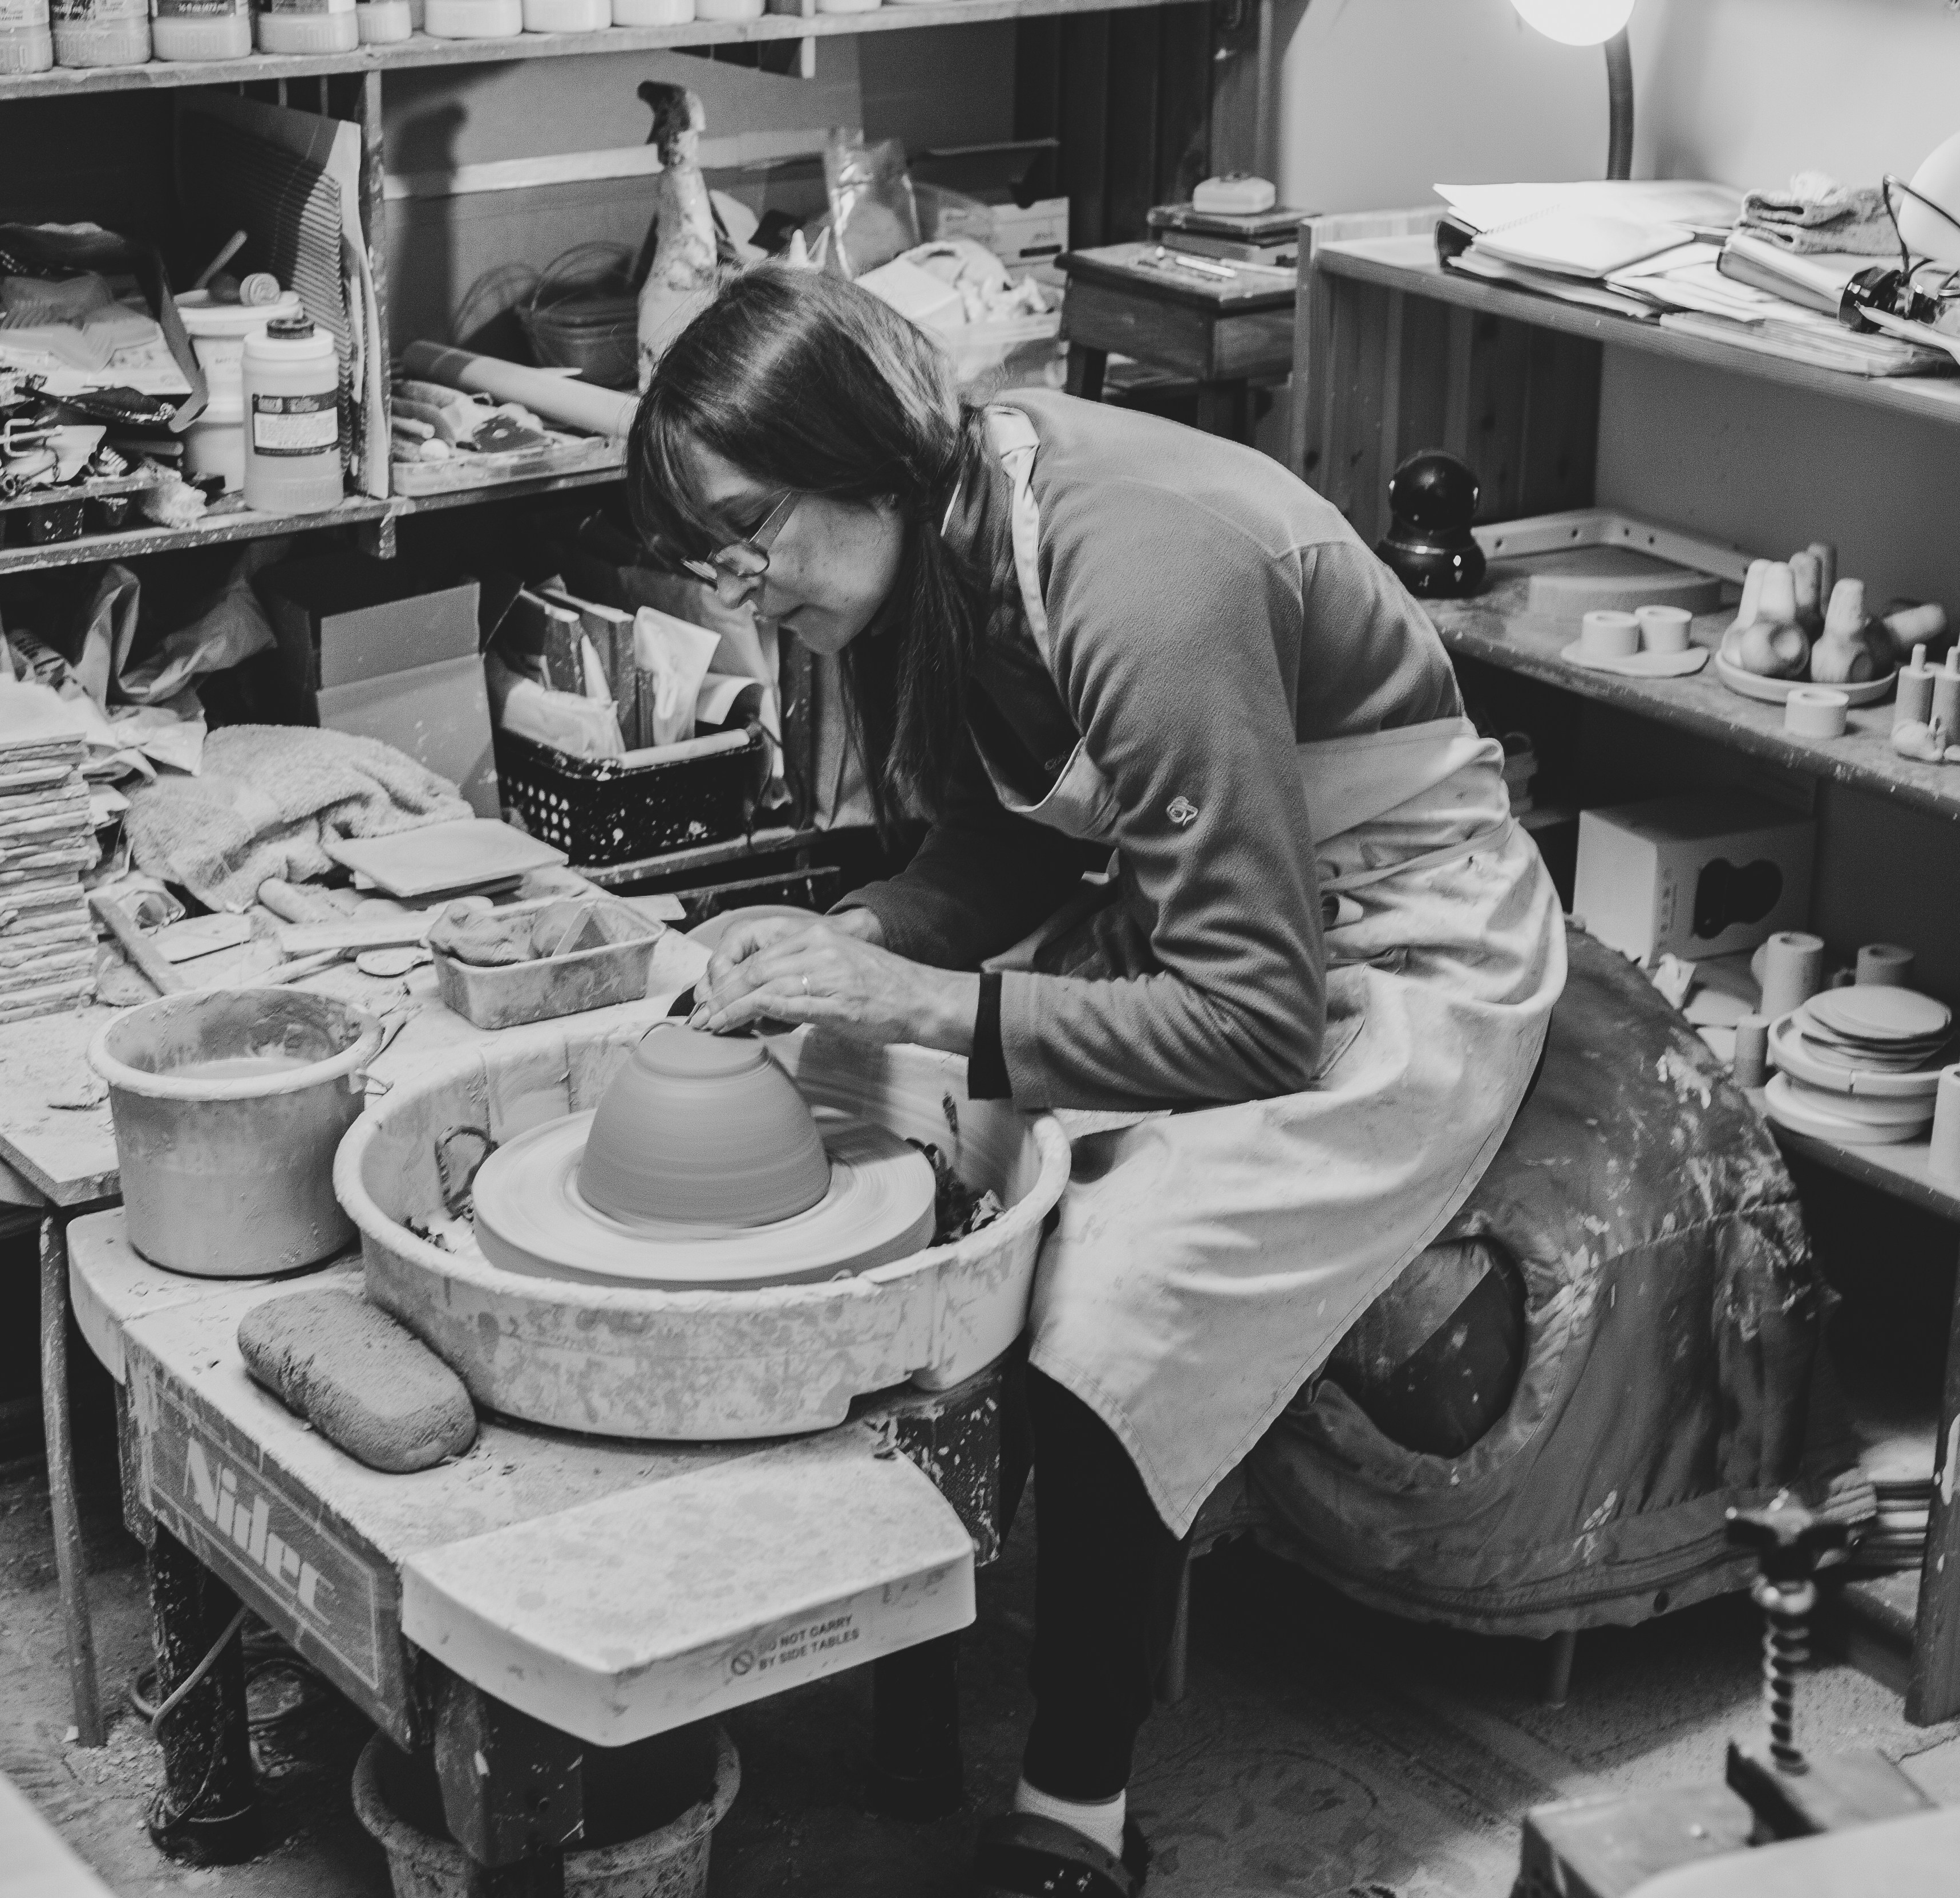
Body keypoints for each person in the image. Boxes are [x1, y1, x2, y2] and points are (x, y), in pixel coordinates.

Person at [629, 269, 1565, 1898]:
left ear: (863, 455)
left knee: (1118, 1280)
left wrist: (932, 995)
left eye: (751, 525)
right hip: (1184, 903)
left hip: (1394, 938)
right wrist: (860, 939)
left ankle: (1075, 1805)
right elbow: (1015, 821)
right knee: (884, 1116)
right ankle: (902, 1671)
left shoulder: (1139, 571)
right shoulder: (939, 543)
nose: (739, 581)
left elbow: (1258, 1024)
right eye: (711, 545)